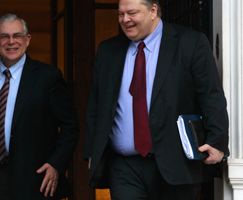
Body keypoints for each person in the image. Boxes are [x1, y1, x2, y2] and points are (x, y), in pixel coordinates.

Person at [84, 0, 229, 199]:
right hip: (124, 167)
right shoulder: (108, 50)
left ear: (153, 11)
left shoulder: (190, 43)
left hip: (176, 164)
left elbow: (211, 96)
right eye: (120, 14)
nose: (125, 20)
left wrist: (217, 141)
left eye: (132, 13)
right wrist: (93, 151)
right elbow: (96, 106)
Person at [0, 13, 79, 200]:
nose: (11, 42)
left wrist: (56, 164)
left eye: (17, 36)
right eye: (4, 36)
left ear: (27, 40)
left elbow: (70, 127)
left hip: (31, 179)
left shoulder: (48, 77)